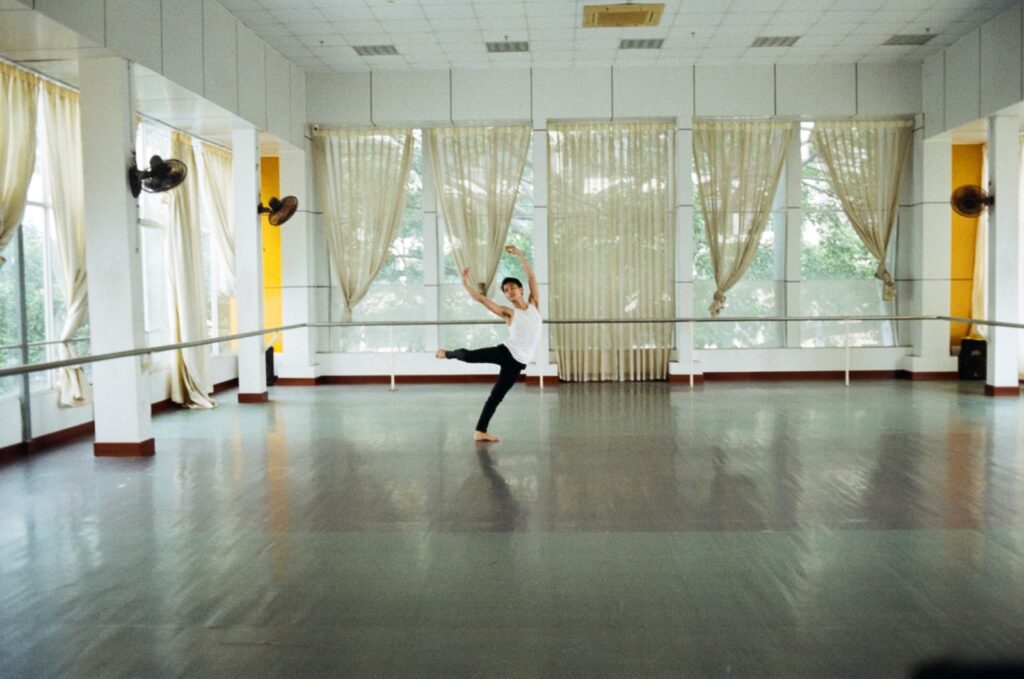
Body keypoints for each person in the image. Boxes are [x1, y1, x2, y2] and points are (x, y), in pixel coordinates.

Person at [436, 245, 542, 442]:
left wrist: (520, 254)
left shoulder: (534, 304)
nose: (509, 291)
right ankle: (447, 353)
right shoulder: (509, 312)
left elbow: (532, 278)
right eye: (506, 290)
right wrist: (464, 282)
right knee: (468, 356)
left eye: (512, 288)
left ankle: (480, 431)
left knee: (496, 397)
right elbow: (482, 299)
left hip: (518, 363)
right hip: (505, 352)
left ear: (521, 290)